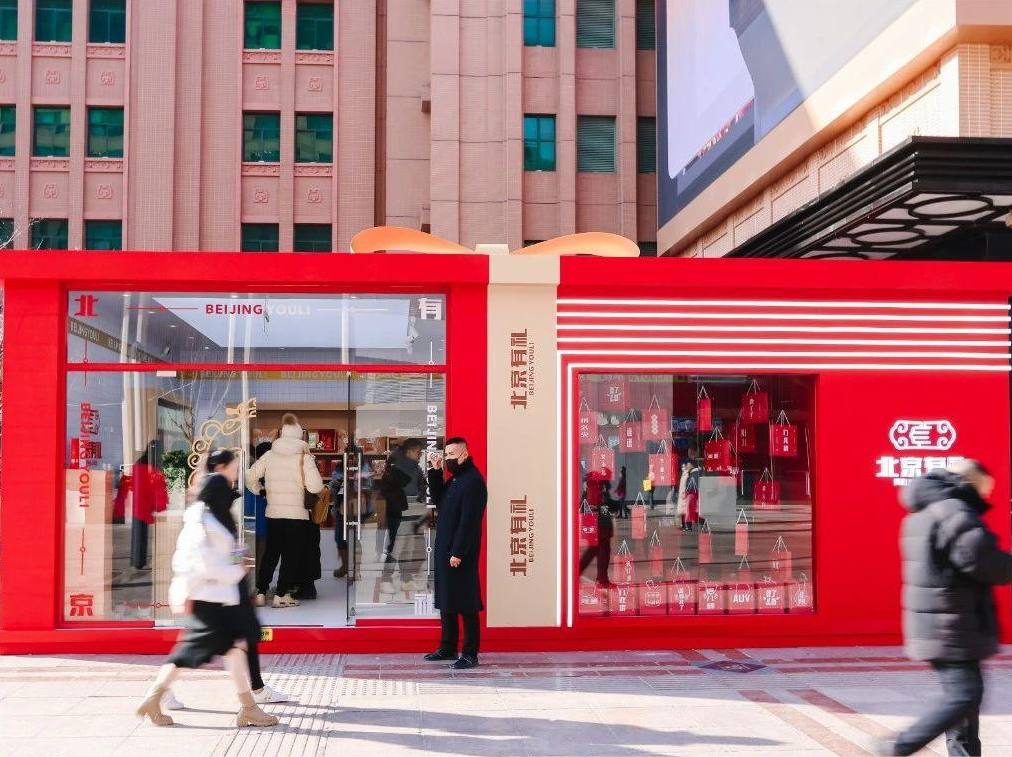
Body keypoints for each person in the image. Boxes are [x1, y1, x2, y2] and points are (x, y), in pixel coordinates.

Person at [135, 449, 279, 728]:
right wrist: (237, 570)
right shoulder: (203, 522)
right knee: (192, 652)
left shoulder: (211, 518)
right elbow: (207, 565)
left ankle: (248, 708)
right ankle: (155, 697)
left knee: (230, 649)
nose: (232, 490)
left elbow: (226, 551)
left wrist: (238, 559)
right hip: (210, 599)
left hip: (216, 598)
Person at [881, 460, 1012, 756]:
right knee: (964, 696)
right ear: (972, 484)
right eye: (986, 490)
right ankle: (899, 745)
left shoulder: (925, 510)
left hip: (943, 621)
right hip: (952, 625)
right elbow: (986, 563)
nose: (987, 497)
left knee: (964, 706)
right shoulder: (954, 511)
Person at [246, 413, 324, 608]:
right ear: (299, 435)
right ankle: (281, 594)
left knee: (270, 554)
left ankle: (261, 592)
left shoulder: (269, 454)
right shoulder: (304, 457)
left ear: (282, 434)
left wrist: (260, 490)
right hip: (297, 515)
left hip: (273, 513)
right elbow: (316, 486)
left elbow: (250, 476)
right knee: (291, 555)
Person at [422, 437, 487, 669]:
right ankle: (448, 647)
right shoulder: (456, 479)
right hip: (445, 548)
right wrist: (435, 471)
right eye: (446, 454)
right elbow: (439, 501)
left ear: (464, 454)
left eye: (452, 455)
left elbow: (469, 521)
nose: (448, 458)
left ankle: (470, 653)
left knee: (467, 603)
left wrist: (458, 551)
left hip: (461, 553)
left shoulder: (473, 481)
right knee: (447, 600)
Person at [113, 450, 168, 570]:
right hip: (143, 506)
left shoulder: (139, 467)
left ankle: (138, 561)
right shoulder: (148, 468)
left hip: (138, 506)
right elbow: (156, 487)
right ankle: (139, 561)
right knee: (141, 534)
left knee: (140, 533)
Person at [382, 439, 427, 559]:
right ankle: (390, 562)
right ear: (409, 452)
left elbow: (421, 486)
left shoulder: (415, 468)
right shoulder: (398, 467)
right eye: (418, 452)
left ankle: (396, 564)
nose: (420, 455)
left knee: (404, 542)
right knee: (396, 540)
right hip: (399, 509)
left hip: (411, 509)